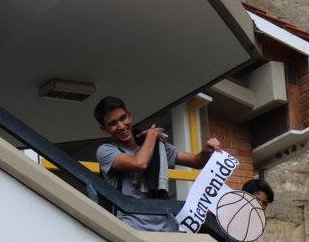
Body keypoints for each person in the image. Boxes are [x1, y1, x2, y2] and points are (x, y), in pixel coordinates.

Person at [94, 96, 221, 232]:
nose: (121, 126)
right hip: (130, 227)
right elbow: (140, 163)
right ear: (104, 129)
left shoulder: (155, 146)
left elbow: (196, 161)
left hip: (165, 226)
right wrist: (151, 136)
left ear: (130, 116)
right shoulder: (105, 150)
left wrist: (207, 151)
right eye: (113, 124)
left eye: (123, 118)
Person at [200, 178, 274, 242]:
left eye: (264, 203)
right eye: (257, 200)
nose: (260, 205)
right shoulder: (218, 216)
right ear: (244, 197)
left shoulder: (248, 233)